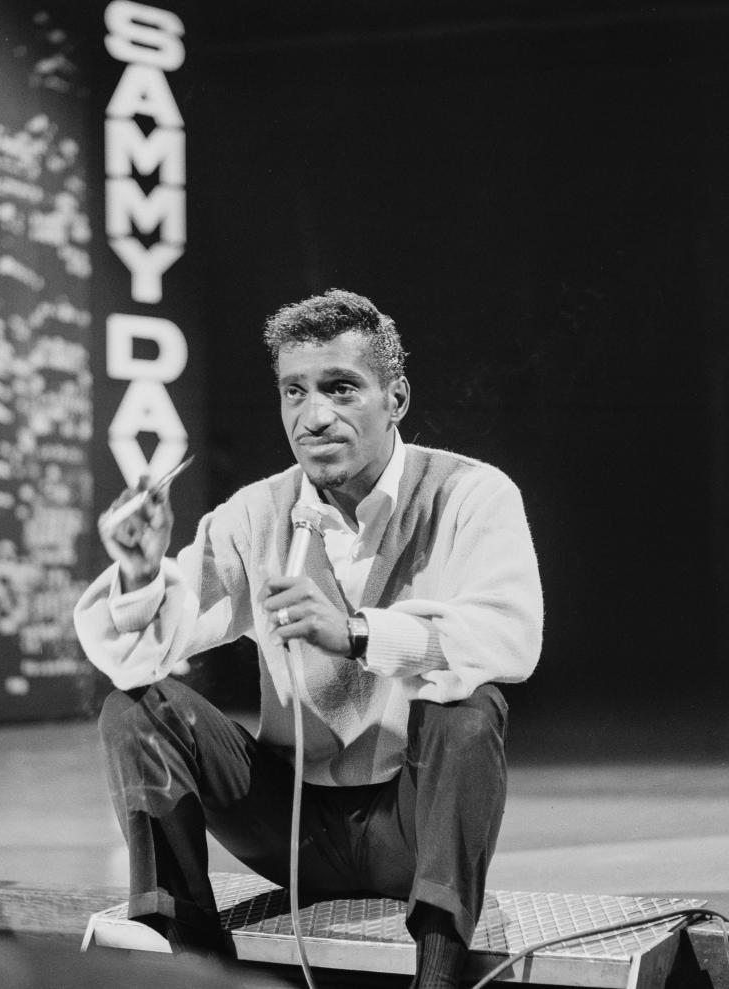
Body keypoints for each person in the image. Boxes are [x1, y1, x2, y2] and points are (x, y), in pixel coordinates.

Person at [74, 289, 543, 989]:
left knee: (470, 711)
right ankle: (196, 962)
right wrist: (141, 572)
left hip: (409, 829)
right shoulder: (257, 512)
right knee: (134, 709)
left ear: (397, 398)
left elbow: (511, 637)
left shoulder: (472, 494)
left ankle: (438, 976)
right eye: (294, 391)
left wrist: (356, 631)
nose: (314, 415)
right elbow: (142, 654)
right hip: (290, 829)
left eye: (341, 387)